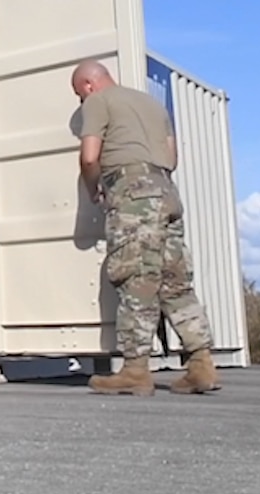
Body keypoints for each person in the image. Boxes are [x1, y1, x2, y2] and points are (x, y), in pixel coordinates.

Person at [69, 60, 220, 396]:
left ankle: (136, 370)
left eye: (79, 94)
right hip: (166, 190)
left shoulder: (98, 102)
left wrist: (95, 187)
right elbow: (172, 156)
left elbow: (89, 157)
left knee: (136, 277)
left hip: (133, 194)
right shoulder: (152, 103)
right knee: (175, 282)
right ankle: (201, 364)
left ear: (88, 86)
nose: (82, 101)